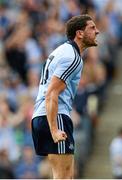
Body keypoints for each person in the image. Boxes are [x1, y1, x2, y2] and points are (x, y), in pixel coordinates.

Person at [31, 14, 99, 179]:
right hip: (55, 116)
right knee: (64, 176)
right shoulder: (72, 57)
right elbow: (52, 92)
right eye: (92, 28)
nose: (97, 31)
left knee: (62, 175)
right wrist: (54, 129)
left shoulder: (61, 51)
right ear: (79, 33)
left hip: (42, 115)